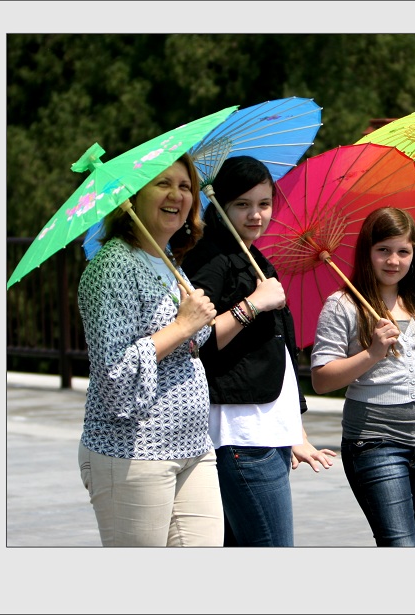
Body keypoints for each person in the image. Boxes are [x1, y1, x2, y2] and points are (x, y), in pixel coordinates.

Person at [182, 155, 336, 547]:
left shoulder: (254, 257)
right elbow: (199, 338)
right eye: (243, 205)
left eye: (264, 204)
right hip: (242, 434)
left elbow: (277, 354)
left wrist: (293, 430)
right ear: (219, 205)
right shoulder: (211, 258)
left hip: (265, 430)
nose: (256, 215)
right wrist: (254, 303)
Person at [77, 153, 224, 547]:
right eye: (163, 183)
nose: (177, 194)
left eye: (186, 186)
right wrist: (183, 325)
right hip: (133, 452)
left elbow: (189, 344)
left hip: (193, 445)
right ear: (132, 196)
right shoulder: (112, 267)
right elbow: (114, 373)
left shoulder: (168, 262)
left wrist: (196, 322)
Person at [310, 206, 415, 547]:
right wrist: (372, 353)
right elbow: (322, 380)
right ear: (367, 251)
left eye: (403, 251)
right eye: (383, 250)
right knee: (400, 544)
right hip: (374, 440)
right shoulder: (343, 305)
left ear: (414, 254)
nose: (393, 260)